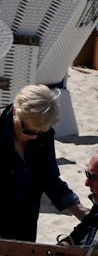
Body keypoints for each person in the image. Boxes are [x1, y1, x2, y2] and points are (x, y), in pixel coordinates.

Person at [0, 86, 87, 242]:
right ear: (16, 112)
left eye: (40, 132)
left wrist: (79, 210)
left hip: (24, 225)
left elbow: (50, 178)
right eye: (29, 131)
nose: (34, 137)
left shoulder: (44, 136)